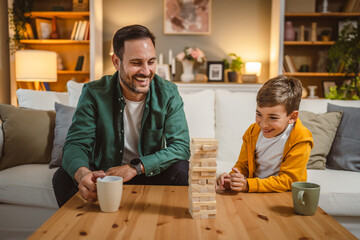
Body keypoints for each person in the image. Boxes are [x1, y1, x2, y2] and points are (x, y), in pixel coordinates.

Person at [53, 25, 190, 207]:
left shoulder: (169, 93)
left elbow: (181, 147)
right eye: (136, 63)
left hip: (147, 172)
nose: (146, 71)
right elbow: (76, 143)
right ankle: (83, 230)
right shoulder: (94, 93)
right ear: (116, 62)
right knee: (62, 176)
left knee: (182, 170)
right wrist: (83, 174)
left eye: (151, 62)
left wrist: (135, 167)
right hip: (105, 176)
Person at [216, 75, 313, 193]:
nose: (264, 124)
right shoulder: (253, 131)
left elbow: (289, 180)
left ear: (292, 117)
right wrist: (233, 178)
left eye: (273, 117)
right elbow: (243, 164)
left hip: (284, 194)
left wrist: (247, 184)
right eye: (259, 114)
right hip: (254, 190)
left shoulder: (301, 139)